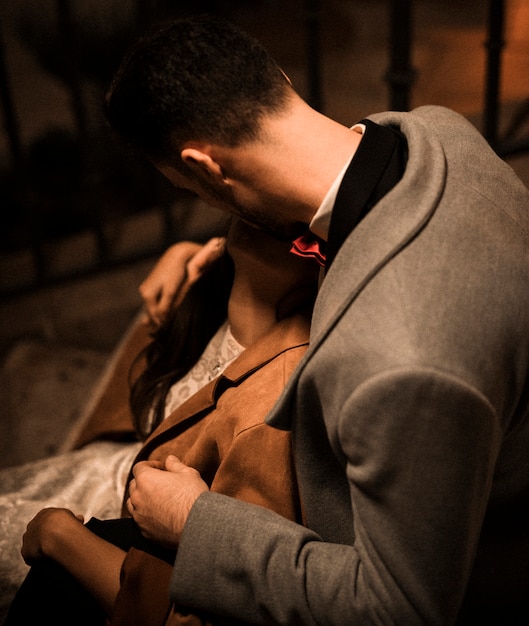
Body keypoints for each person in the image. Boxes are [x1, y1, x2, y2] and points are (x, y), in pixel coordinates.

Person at [101, 13, 529, 626]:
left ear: (203, 167)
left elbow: (397, 608)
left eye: (192, 190)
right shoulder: (436, 134)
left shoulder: (401, 362)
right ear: (276, 76)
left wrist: (196, 524)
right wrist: (204, 254)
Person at [4, 219, 318, 625]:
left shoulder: (273, 403)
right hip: (104, 469)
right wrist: (183, 253)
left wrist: (62, 538)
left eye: (296, 222)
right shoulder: (214, 285)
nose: (257, 211)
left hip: (111, 526)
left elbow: (210, 598)